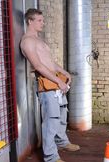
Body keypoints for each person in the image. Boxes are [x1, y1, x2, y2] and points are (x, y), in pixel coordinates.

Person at [20, 8, 80, 162]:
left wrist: (64, 72)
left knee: (61, 115)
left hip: (55, 81)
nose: (43, 23)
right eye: (39, 20)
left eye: (43, 20)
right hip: (47, 84)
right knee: (51, 120)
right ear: (30, 21)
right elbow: (39, 66)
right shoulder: (27, 41)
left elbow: (50, 63)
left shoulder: (39, 40)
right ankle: (51, 157)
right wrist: (58, 81)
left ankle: (62, 142)